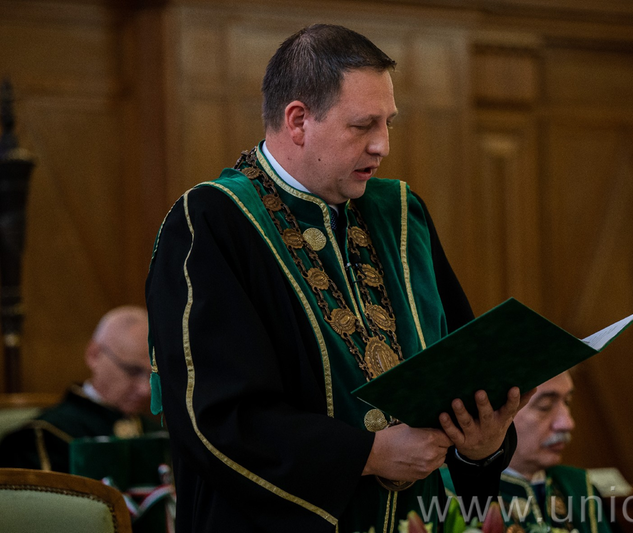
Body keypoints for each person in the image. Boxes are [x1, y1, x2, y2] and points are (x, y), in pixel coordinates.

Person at [145, 23, 531, 533]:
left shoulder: (401, 215)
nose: (382, 145)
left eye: (388, 123)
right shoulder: (213, 221)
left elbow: (462, 368)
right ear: (298, 121)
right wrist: (367, 454)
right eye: (363, 125)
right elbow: (214, 418)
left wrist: (481, 446)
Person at [0, 305, 157, 472]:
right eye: (133, 371)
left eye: (153, 375)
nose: (146, 390)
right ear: (94, 354)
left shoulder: (155, 432)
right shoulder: (40, 438)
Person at [499, 371, 615, 532]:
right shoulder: (464, 495)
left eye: (567, 402)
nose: (567, 423)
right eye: (545, 406)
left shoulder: (578, 487)